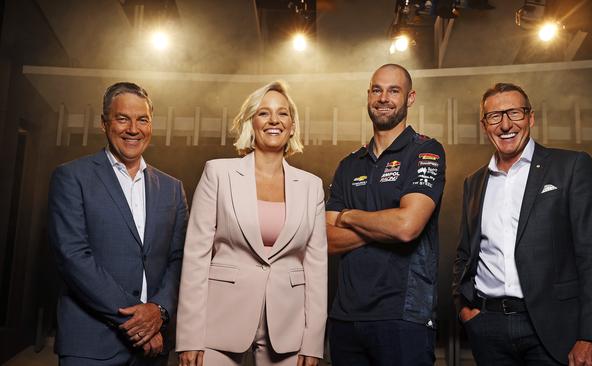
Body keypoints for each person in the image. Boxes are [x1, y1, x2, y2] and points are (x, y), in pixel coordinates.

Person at [452, 82, 592, 365]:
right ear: (484, 125)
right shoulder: (474, 182)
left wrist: (591, 335)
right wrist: (465, 309)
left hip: (553, 329)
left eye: (514, 113)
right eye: (494, 116)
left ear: (530, 118)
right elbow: (464, 254)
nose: (505, 124)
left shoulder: (571, 166)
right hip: (488, 327)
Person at [176, 81, 327, 366]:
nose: (274, 120)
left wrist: (313, 341)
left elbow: (316, 269)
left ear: (292, 125)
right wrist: (189, 336)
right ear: (251, 122)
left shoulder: (311, 186)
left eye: (282, 114)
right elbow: (196, 257)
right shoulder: (218, 173)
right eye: (263, 113)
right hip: (218, 323)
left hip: (288, 329)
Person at [48, 82, 189, 365]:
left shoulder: (173, 188)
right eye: (123, 118)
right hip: (91, 344)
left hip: (152, 349)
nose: (133, 129)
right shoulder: (71, 177)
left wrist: (159, 310)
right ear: (104, 123)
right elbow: (73, 257)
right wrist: (141, 320)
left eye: (143, 119)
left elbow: (179, 260)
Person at [326, 64, 446, 366]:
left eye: (394, 90)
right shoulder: (349, 164)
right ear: (368, 95)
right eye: (377, 90)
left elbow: (407, 227)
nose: (384, 98)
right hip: (345, 317)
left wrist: (349, 216)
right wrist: (384, 226)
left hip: (403, 316)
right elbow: (327, 240)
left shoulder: (425, 150)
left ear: (410, 98)